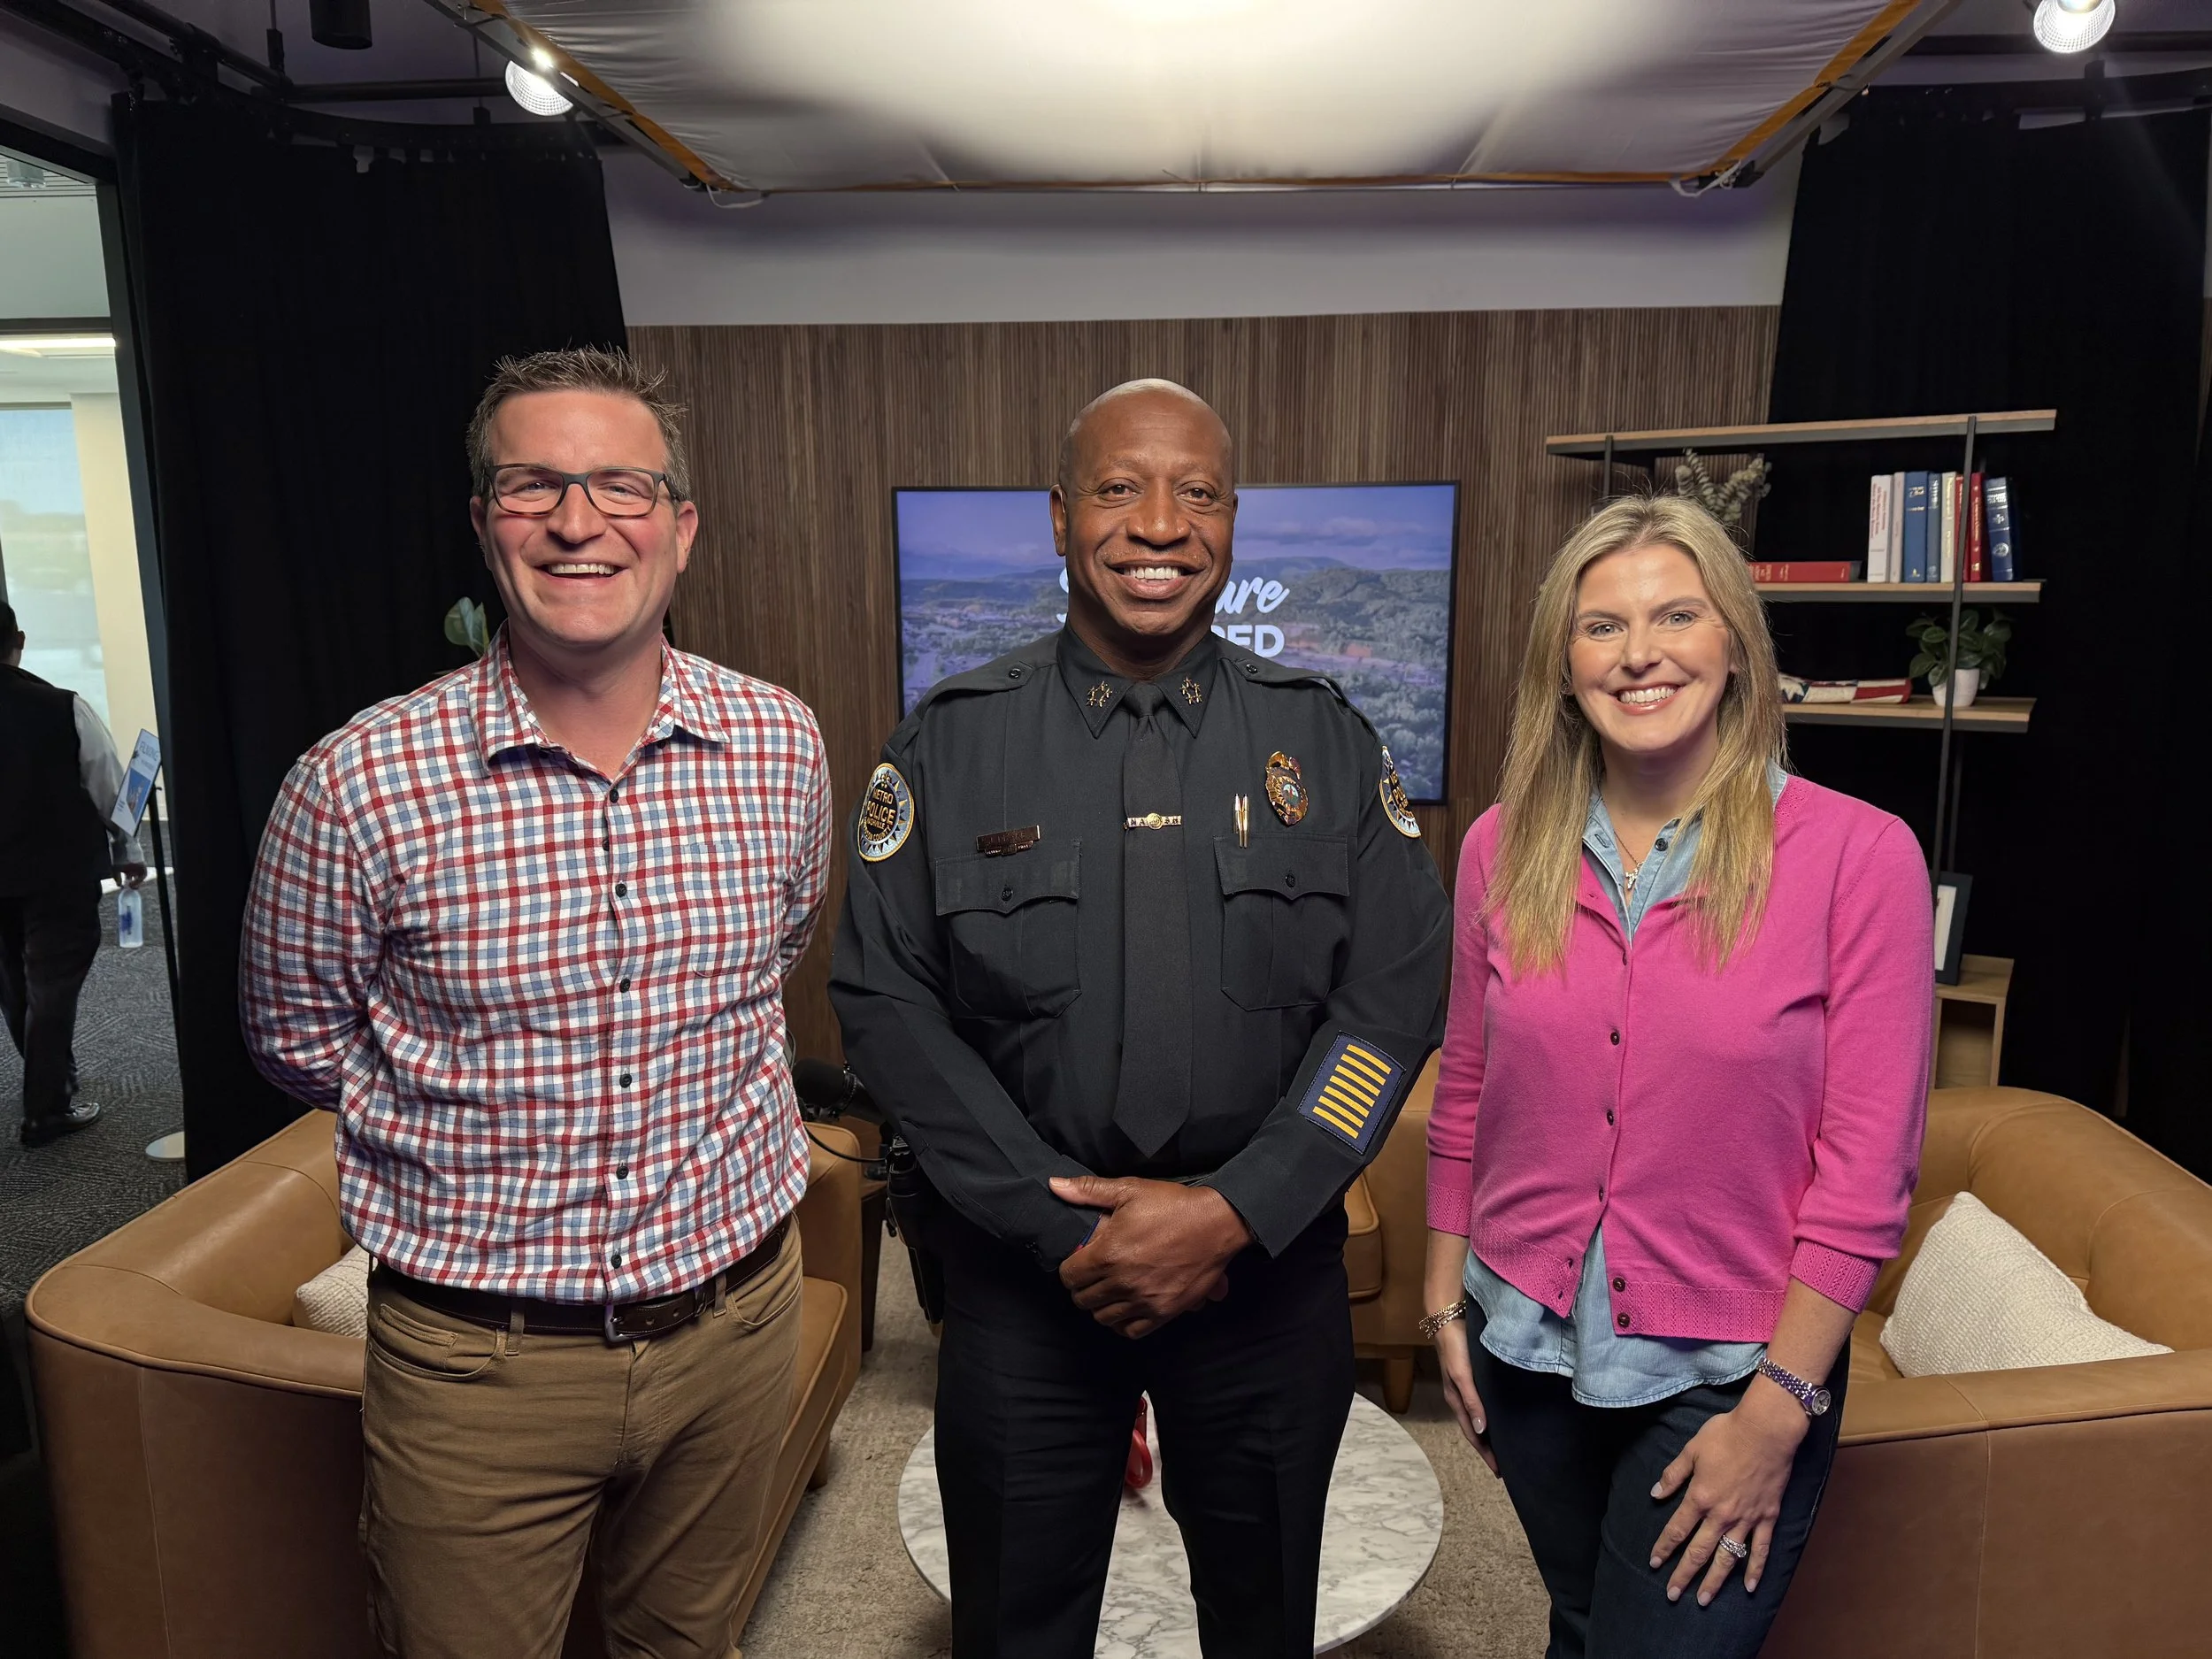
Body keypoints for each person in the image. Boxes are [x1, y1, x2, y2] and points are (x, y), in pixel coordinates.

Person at [831, 379, 1450, 1658]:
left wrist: (1237, 1207)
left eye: (1198, 491)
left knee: (1263, 1618)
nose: (1159, 523)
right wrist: (1056, 1221)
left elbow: (1389, 1002)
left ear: (1235, 522)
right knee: (1015, 1625)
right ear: (1059, 520)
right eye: (1120, 488)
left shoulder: (1324, 741)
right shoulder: (951, 746)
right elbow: (887, 1008)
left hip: (1267, 1281)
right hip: (1027, 1281)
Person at [239, 347, 833, 1659]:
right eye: (534, 485)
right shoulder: (353, 783)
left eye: (621, 484)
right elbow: (298, 1040)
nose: (578, 520)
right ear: (482, 521)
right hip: (477, 1363)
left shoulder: (783, 743)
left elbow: (770, 960)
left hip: (737, 1327)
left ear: (680, 524)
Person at [1422, 495, 1932, 1659]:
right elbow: (1468, 1086)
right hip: (1527, 1347)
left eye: (1676, 614)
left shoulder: (1860, 855)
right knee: (1586, 1623)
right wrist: (1444, 1299)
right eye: (1602, 624)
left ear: (1735, 643)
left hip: (1732, 1371)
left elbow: (1867, 1174)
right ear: (1564, 661)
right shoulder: (1504, 845)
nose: (1640, 650)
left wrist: (1779, 1409)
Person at [0, 600, 147, 1148]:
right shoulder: (62, 707)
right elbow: (109, 787)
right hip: (57, 871)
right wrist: (127, 849)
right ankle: (46, 1107)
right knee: (52, 985)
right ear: (19, 637)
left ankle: (50, 1079)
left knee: (15, 985)